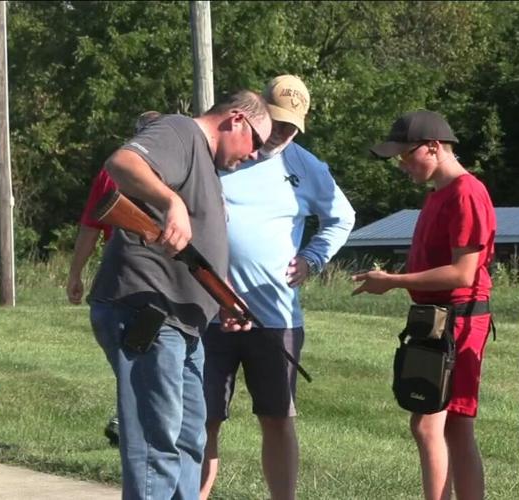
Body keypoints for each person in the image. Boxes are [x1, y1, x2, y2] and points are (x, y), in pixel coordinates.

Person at [87, 91, 271, 500]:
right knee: (156, 442)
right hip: (147, 311)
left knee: (189, 441)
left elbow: (193, 251)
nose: (256, 155)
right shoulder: (181, 130)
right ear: (236, 119)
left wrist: (221, 298)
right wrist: (170, 201)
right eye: (257, 142)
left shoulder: (205, 161)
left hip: (180, 320)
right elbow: (122, 163)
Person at [200, 75, 356, 500]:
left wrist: (312, 258)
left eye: (291, 127)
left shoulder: (306, 167)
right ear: (255, 112)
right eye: (275, 123)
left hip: (276, 317)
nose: (281, 134)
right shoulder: (221, 153)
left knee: (277, 416)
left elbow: (341, 217)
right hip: (210, 313)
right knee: (205, 417)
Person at [351, 110, 496, 500]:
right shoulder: (438, 195)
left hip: (460, 319)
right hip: (434, 321)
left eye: (404, 155)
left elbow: (463, 273)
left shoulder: (467, 193)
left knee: (432, 425)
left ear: (433, 147)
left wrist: (394, 282)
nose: (401, 165)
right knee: (450, 426)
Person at [66, 110, 162, 447]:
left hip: (120, 279)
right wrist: (76, 273)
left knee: (136, 357)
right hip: (150, 279)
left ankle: (130, 421)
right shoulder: (172, 171)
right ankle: (130, 422)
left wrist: (76, 273)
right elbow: (93, 224)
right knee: (146, 359)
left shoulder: (114, 171)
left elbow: (90, 228)